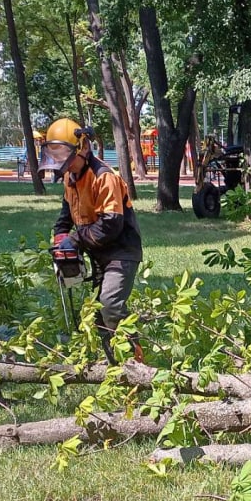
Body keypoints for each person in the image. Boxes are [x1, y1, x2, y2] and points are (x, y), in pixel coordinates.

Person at [38, 117, 143, 362]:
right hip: (97, 252)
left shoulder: (103, 177)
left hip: (121, 251)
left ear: (83, 147)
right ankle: (115, 366)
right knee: (98, 314)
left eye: (65, 153)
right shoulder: (70, 178)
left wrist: (75, 241)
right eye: (56, 153)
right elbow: (66, 216)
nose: (61, 160)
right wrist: (60, 239)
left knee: (110, 305)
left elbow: (111, 224)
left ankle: (137, 364)